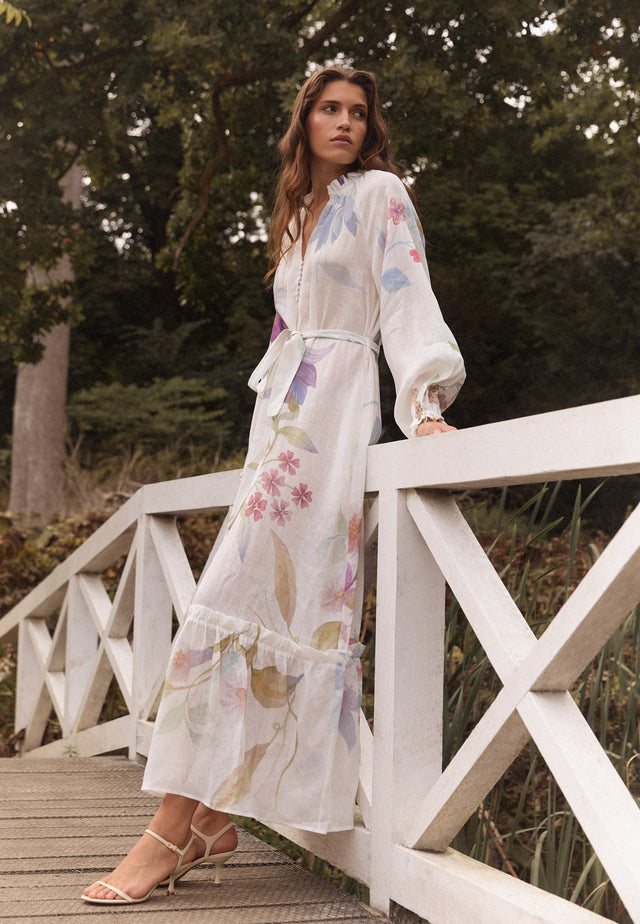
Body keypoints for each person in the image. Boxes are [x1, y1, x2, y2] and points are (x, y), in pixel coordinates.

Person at [82, 65, 465, 905]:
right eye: (330, 109)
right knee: (249, 602)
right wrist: (265, 438)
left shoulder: (381, 195)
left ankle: (166, 832)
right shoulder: (294, 212)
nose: (345, 122)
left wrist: (424, 405)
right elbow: (287, 331)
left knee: (240, 597)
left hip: (335, 415)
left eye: (358, 112)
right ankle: (210, 819)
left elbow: (407, 299)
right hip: (284, 419)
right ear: (306, 121)